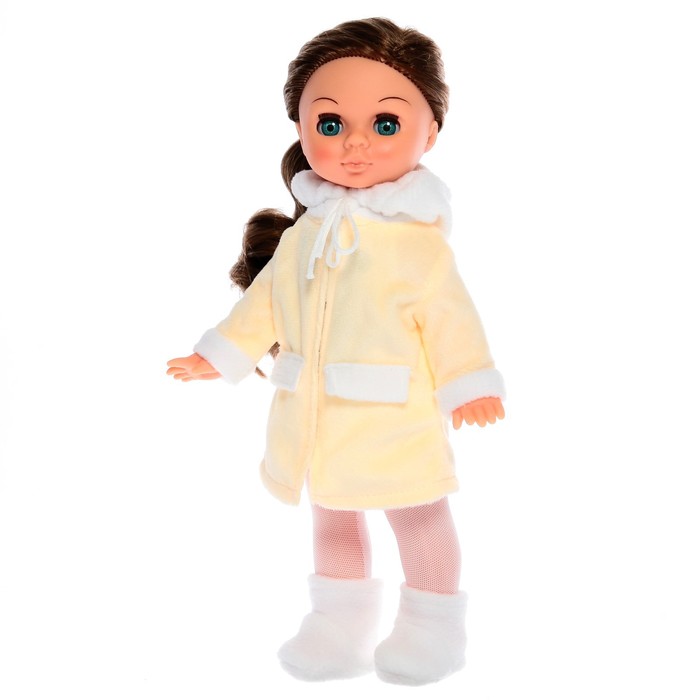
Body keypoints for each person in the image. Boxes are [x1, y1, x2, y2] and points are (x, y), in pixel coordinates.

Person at [167, 17, 505, 685]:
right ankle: (339, 624)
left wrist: (470, 384)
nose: (355, 143)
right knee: (332, 515)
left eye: (385, 124)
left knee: (418, 512)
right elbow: (265, 304)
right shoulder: (306, 233)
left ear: (430, 133)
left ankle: (433, 625)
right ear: (300, 129)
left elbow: (451, 318)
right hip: (314, 412)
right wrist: (222, 353)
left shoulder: (416, 244)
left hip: (393, 415)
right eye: (329, 123)